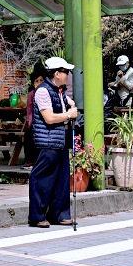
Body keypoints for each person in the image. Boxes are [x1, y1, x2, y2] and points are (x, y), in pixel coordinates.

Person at [28, 57, 78, 228]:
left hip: (60, 139)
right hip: (48, 141)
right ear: (57, 73)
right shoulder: (43, 91)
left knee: (61, 180)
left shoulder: (58, 90)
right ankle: (37, 216)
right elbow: (49, 118)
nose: (68, 75)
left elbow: (67, 103)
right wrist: (69, 115)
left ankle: (59, 214)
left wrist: (70, 105)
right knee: (42, 178)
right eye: (65, 72)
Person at [21, 64, 45, 169]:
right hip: (35, 122)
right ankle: (30, 159)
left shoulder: (48, 92)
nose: (39, 83)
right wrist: (30, 124)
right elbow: (29, 111)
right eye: (36, 81)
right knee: (28, 134)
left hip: (47, 121)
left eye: (41, 80)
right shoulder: (32, 94)